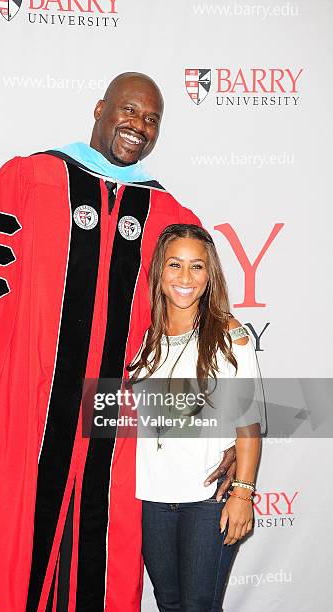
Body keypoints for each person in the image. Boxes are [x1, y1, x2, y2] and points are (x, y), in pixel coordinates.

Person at [0, 73, 236, 612]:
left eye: (151, 119)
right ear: (100, 109)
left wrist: (229, 426)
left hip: (115, 428)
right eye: (129, 111)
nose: (138, 125)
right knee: (11, 559)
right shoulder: (27, 180)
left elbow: (204, 328)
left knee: (104, 556)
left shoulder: (168, 215)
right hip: (25, 414)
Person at [128, 224, 264, 611]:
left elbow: (248, 424)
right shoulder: (143, 337)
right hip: (151, 498)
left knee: (199, 606)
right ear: (159, 272)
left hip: (208, 500)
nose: (185, 278)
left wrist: (243, 493)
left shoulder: (228, 335)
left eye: (197, 267)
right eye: (175, 265)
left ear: (210, 275)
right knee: (168, 603)